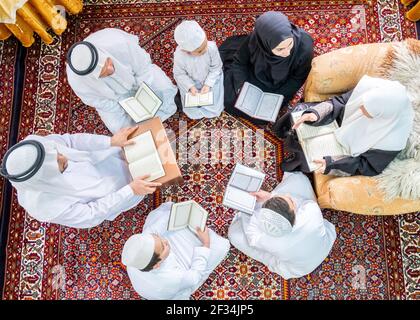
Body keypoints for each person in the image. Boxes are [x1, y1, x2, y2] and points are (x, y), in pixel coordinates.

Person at [0, 127, 161, 228]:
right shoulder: (44, 206)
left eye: (57, 154)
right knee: (151, 175)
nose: (64, 158)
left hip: (101, 158)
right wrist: (130, 190)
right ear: (46, 179)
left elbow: (72, 141)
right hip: (113, 193)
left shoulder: (35, 147)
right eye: (57, 162)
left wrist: (110, 142)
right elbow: (92, 214)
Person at [274, 75, 414, 176]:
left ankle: (294, 161)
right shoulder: (372, 88)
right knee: (301, 112)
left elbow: (367, 166)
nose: (360, 110)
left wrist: (331, 163)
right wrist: (316, 114)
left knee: (310, 158)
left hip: (346, 150)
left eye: (369, 111)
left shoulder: (393, 141)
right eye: (363, 104)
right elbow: (340, 102)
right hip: (337, 120)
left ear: (383, 116)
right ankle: (282, 131)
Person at [66, 28, 177, 134]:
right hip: (115, 99)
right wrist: (128, 107)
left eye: (108, 62)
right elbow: (102, 102)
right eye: (104, 72)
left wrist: (143, 90)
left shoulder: (116, 41)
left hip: (138, 79)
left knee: (164, 89)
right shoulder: (78, 82)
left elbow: (143, 67)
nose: (110, 69)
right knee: (119, 128)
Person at [228, 172, 336, 279]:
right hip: (324, 245)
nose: (288, 196)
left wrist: (250, 207)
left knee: (234, 234)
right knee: (299, 178)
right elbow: (300, 201)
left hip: (297, 267)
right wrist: (271, 196)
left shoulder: (272, 243)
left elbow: (252, 236)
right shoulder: (312, 210)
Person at [219, 11, 314, 125]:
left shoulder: (305, 47)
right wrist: (242, 87)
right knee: (228, 99)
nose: (287, 52)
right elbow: (240, 62)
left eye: (290, 44)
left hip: (281, 85)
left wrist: (277, 97)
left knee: (262, 117)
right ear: (265, 45)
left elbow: (297, 79)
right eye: (280, 49)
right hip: (254, 76)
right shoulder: (255, 41)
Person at [122, 202, 230, 300]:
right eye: (163, 247)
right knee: (222, 246)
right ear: (157, 264)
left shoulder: (136, 255)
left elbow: (155, 229)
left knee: (167, 211)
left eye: (158, 238)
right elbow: (194, 277)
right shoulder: (172, 278)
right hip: (170, 288)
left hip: (149, 283)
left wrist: (180, 213)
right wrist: (205, 244)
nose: (165, 241)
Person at [173, 20, 224, 119]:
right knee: (192, 109)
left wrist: (208, 84)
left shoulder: (211, 47)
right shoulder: (180, 55)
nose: (205, 50)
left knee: (214, 106)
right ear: (186, 51)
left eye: (205, 44)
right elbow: (179, 74)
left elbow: (216, 68)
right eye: (200, 50)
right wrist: (190, 86)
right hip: (192, 82)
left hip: (210, 78)